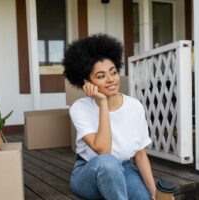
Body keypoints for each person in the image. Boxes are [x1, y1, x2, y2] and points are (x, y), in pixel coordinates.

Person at [63, 34, 156, 200]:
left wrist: (154, 191)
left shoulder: (134, 106)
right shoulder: (80, 108)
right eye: (100, 76)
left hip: (124, 169)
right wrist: (103, 103)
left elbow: (140, 155)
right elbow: (103, 151)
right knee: (108, 162)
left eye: (113, 72)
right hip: (89, 172)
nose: (111, 79)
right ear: (87, 82)